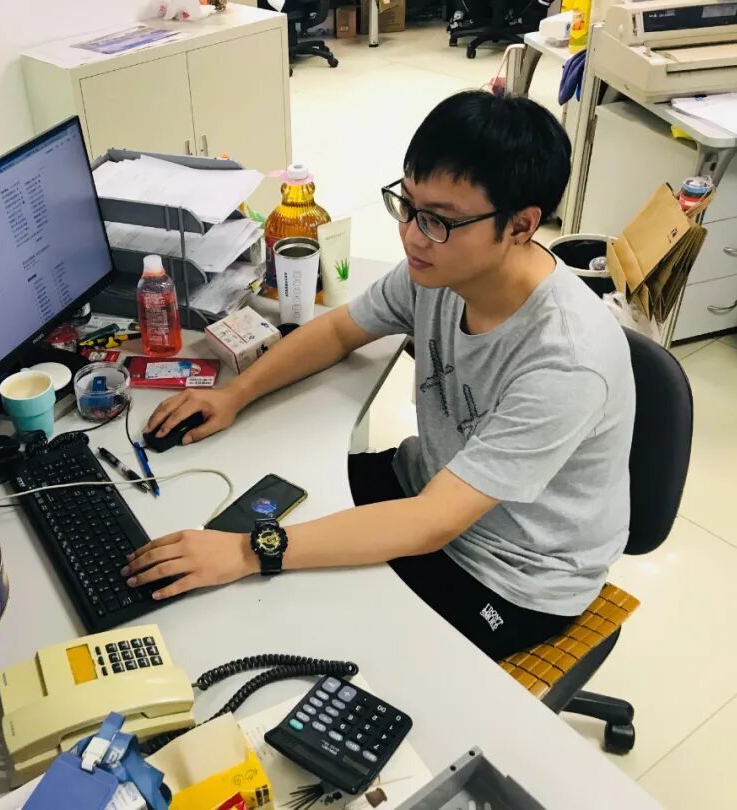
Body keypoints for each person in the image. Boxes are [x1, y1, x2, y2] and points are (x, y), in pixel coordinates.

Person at [121, 91, 635, 661]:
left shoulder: (566, 361)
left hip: (511, 571)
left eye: (439, 220)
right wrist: (233, 395)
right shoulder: (440, 270)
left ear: (521, 225)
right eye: (407, 206)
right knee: (254, 503)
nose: (412, 235)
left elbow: (431, 524)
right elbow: (341, 330)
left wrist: (247, 553)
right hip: (423, 484)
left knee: (301, 629)